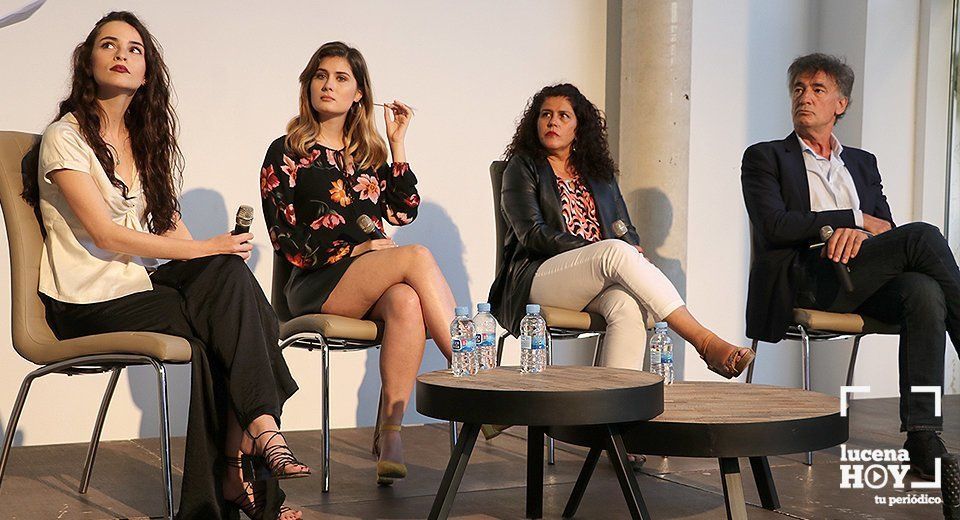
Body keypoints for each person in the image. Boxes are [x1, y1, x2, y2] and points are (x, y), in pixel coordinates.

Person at [22, 12, 308, 520]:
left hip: (135, 289)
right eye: (108, 45)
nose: (121, 55)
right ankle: (255, 448)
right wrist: (206, 252)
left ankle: (235, 467)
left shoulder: (144, 141)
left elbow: (173, 235)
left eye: (134, 49)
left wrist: (216, 256)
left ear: (146, 71)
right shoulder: (63, 136)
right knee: (224, 320)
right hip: (84, 302)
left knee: (227, 290)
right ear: (88, 62)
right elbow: (105, 234)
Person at [741, 53, 960, 479]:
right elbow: (774, 225)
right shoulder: (765, 156)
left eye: (818, 89)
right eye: (799, 89)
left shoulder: (861, 162)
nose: (805, 97)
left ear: (840, 104)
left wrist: (862, 236)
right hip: (807, 276)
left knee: (924, 291)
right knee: (924, 235)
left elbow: (887, 231)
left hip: (862, 273)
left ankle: (922, 436)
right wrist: (849, 222)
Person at [260, 41, 455, 486]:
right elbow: (284, 236)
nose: (328, 84)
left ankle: (390, 434)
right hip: (313, 284)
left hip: (363, 286)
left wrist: (398, 143)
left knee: (406, 300)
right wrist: (355, 250)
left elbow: (403, 212)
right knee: (416, 256)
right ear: (308, 85)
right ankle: (475, 378)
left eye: (341, 78)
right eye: (320, 75)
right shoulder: (286, 152)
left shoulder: (368, 156)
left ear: (359, 95)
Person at [489, 83, 755, 377]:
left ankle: (608, 412)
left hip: (591, 278)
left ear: (579, 127)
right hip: (535, 278)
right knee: (614, 252)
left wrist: (630, 247)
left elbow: (624, 230)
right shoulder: (522, 166)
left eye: (564, 116)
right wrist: (601, 250)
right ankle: (704, 341)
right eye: (545, 115)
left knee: (628, 307)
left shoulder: (598, 175)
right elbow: (532, 234)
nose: (553, 121)